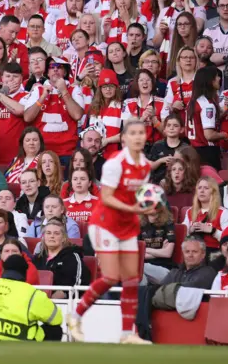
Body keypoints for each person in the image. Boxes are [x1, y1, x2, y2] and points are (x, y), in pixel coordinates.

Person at [68, 119, 153, 344]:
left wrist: (148, 206)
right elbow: (106, 198)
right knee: (111, 276)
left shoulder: (144, 167)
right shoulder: (114, 164)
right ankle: (75, 315)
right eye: (132, 134)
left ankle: (127, 334)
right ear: (123, 139)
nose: (137, 138)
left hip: (125, 225)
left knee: (132, 280)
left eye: (141, 133)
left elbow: (139, 197)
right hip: (103, 223)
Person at [0, 253, 62, 341]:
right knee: (55, 330)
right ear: (25, 272)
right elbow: (56, 318)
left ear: (4, 270)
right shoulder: (31, 293)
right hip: (18, 346)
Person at [186, 66, 227, 170]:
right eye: (216, 76)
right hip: (207, 152)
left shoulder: (193, 102)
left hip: (193, 149)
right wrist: (224, 135)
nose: (219, 78)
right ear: (210, 80)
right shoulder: (208, 104)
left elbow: (203, 121)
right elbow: (209, 135)